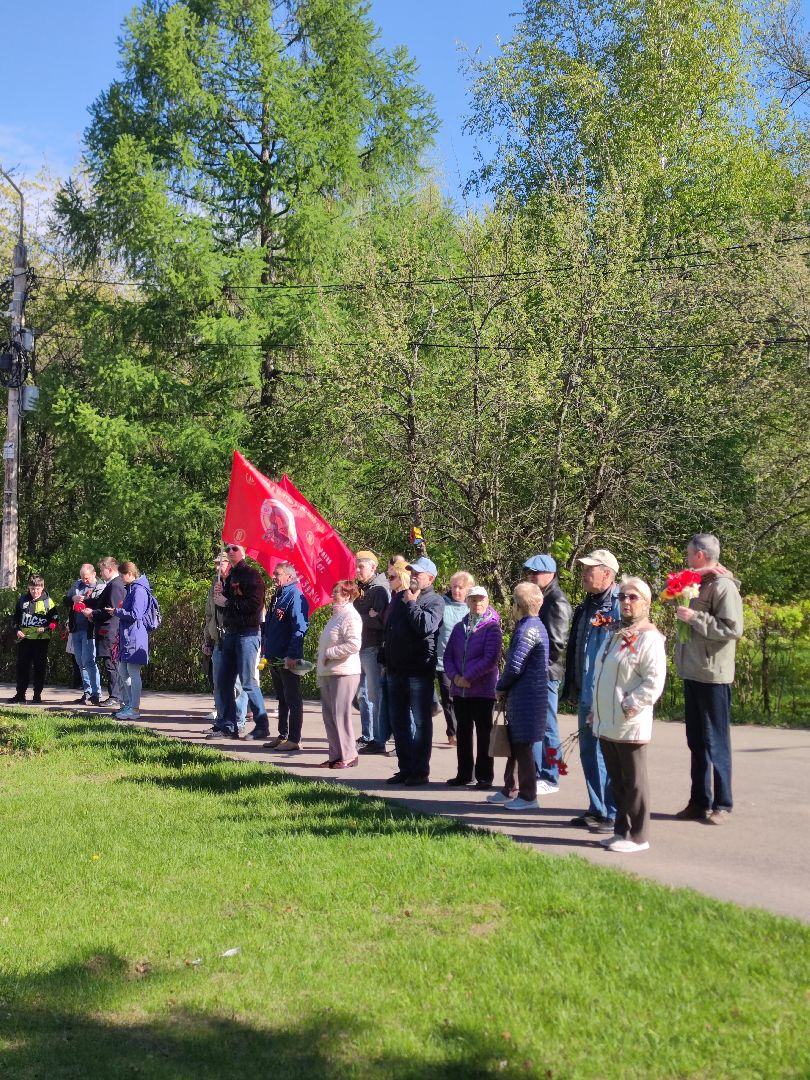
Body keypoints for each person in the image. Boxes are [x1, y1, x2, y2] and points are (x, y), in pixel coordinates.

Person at [591, 577, 667, 853]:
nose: (626, 602)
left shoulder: (650, 638)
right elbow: (602, 675)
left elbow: (654, 681)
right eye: (622, 597)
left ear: (646, 603)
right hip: (607, 721)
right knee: (617, 780)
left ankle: (638, 835)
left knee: (634, 781)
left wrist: (629, 705)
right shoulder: (616, 634)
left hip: (628, 721)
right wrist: (595, 710)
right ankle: (620, 830)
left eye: (633, 597)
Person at [673, 533, 744, 825]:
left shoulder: (724, 587)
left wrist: (694, 618)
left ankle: (722, 804)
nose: (687, 558)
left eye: (689, 554)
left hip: (713, 675)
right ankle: (698, 801)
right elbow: (670, 585)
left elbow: (732, 629)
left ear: (699, 555)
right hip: (693, 671)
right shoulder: (697, 582)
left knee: (716, 742)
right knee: (696, 741)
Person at [383, 555, 445, 786]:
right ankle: (405, 768)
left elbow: (425, 626)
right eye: (412, 572)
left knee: (420, 722)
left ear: (430, 578)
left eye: (418, 573)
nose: (414, 577)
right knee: (398, 721)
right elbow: (389, 629)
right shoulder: (400, 597)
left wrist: (411, 602)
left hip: (418, 670)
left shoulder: (434, 601)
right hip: (395, 669)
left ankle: (420, 771)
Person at [487, 582, 549, 810]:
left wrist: (500, 686)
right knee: (516, 743)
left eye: (514, 601)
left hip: (527, 696)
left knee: (523, 747)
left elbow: (514, 665)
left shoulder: (528, 629)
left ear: (519, 605)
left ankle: (528, 795)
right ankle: (510, 788)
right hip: (525, 695)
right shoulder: (533, 625)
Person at [443, 585, 502, 789]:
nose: (477, 603)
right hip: (461, 690)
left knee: (484, 734)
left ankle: (485, 776)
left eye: (481, 600)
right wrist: (455, 677)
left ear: (487, 602)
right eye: (473, 600)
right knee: (463, 733)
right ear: (467, 602)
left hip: (483, 690)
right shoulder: (460, 627)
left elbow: (490, 659)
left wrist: (468, 676)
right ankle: (464, 774)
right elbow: (448, 655)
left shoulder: (492, 627)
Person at [523, 554, 573, 795]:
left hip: (546, 675)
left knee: (548, 727)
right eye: (530, 573)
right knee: (537, 726)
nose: (532, 576)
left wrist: (536, 670)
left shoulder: (556, 601)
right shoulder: (540, 598)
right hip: (535, 674)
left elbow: (556, 644)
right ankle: (536, 773)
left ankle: (551, 776)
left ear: (551, 574)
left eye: (536, 573)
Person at [213, 542, 270, 740]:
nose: (230, 552)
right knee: (224, 682)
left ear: (243, 552)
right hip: (231, 633)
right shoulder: (231, 577)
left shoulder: (252, 575)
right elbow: (226, 607)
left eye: (234, 549)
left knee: (247, 682)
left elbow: (254, 604)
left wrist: (227, 601)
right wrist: (222, 594)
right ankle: (228, 726)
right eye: (228, 549)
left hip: (247, 634)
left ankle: (262, 725)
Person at [262, 561, 309, 750]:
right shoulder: (278, 596)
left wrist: (292, 655)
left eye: (278, 574)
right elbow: (272, 626)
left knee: (292, 698)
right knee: (281, 698)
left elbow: (300, 628)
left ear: (289, 577)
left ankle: (294, 739)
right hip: (274, 656)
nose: (274, 577)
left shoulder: (295, 595)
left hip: (288, 657)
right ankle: (282, 735)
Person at [317, 579, 363, 768]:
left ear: (348, 596)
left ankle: (349, 754)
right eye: (334, 591)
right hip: (329, 672)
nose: (335, 595)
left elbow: (354, 644)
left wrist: (330, 653)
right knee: (329, 715)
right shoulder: (336, 615)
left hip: (344, 672)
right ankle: (335, 754)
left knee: (340, 714)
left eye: (339, 592)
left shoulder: (350, 615)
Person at [203, 551, 247, 735]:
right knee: (219, 685)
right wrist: (207, 640)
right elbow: (209, 615)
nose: (217, 567)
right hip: (218, 641)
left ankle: (238, 720)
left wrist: (225, 601)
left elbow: (244, 609)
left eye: (221, 563)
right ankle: (222, 721)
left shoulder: (238, 583)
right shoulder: (215, 584)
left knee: (237, 684)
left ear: (230, 564)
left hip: (235, 639)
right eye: (216, 563)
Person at [353, 550, 390, 753]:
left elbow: (379, 621)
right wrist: (365, 613)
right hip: (361, 646)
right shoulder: (363, 588)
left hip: (373, 647)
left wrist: (360, 616)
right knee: (362, 695)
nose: (358, 570)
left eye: (361, 566)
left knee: (373, 695)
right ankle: (368, 735)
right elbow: (368, 615)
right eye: (356, 566)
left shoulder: (379, 589)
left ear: (373, 567)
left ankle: (378, 738)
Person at [436, 571, 475, 746]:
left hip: (466, 661)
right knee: (448, 698)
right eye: (454, 587)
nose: (456, 591)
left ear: (468, 590)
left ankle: (464, 730)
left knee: (464, 699)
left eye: (460, 588)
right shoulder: (442, 604)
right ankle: (453, 733)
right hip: (443, 660)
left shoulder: (472, 608)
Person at [8, 575, 59, 704]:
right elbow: (15, 618)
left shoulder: (48, 601)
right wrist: (17, 630)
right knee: (22, 667)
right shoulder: (23, 600)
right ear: (28, 588)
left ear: (42, 587)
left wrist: (46, 628)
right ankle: (20, 694)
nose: (34, 592)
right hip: (24, 639)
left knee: (39, 667)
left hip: (41, 640)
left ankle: (37, 694)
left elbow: (55, 621)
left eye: (37, 589)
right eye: (32, 589)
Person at [83, 557, 126, 709]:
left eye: (101, 570)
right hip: (107, 630)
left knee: (111, 664)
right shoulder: (112, 584)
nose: (101, 573)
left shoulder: (115, 585)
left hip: (110, 630)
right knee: (110, 663)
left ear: (109, 569)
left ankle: (115, 696)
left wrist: (92, 614)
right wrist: (86, 602)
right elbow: (102, 602)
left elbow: (111, 610)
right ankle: (116, 695)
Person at [112, 561, 153, 720]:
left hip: (136, 636)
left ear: (130, 573)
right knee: (123, 670)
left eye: (122, 575)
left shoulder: (139, 590)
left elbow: (136, 614)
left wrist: (116, 611)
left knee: (133, 672)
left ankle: (134, 709)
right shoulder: (132, 588)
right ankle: (128, 704)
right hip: (128, 635)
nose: (121, 578)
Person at [64, 563, 104, 706]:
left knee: (89, 661)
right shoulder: (77, 584)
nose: (84, 581)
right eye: (82, 578)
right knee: (80, 661)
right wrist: (73, 599)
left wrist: (86, 601)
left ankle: (96, 693)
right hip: (76, 629)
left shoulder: (101, 586)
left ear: (94, 574)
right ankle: (87, 692)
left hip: (90, 629)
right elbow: (65, 600)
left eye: (86, 578)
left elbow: (101, 606)